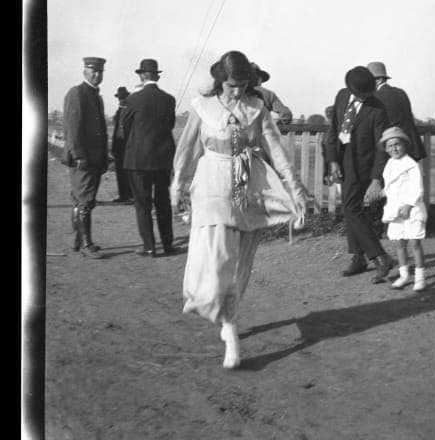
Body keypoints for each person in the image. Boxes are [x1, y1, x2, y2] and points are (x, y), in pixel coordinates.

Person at [171, 51, 306, 369]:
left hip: (249, 188)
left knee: (240, 264)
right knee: (217, 259)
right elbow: (187, 147)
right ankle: (216, 311)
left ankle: (229, 325)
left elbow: (277, 151)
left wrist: (296, 190)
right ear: (220, 80)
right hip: (211, 184)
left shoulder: (256, 108)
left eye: (243, 85)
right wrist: (177, 185)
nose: (237, 91)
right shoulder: (202, 106)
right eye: (232, 85)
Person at [325, 66, 393, 282]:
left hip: (362, 165)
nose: (366, 96)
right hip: (342, 159)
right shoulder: (342, 95)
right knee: (349, 207)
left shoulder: (378, 109)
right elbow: (334, 130)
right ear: (351, 89)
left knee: (351, 208)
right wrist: (332, 160)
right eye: (361, 93)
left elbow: (381, 147)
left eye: (368, 93)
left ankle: (380, 257)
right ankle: (358, 258)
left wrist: (375, 179)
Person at [122, 59, 176, 257]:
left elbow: (125, 128)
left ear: (141, 75)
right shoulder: (169, 100)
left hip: (138, 159)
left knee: (142, 203)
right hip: (162, 159)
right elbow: (169, 125)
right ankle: (168, 244)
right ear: (157, 76)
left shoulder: (132, 100)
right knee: (163, 201)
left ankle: (150, 246)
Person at [61, 56, 108, 259]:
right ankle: (86, 244)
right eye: (93, 71)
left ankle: (77, 241)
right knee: (85, 201)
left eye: (100, 72)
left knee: (81, 200)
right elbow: (73, 128)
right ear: (84, 72)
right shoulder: (77, 93)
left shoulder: (96, 96)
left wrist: (104, 157)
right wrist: (79, 155)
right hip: (83, 159)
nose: (97, 75)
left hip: (94, 159)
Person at [379, 126, 428, 291]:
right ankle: (404, 274)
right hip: (395, 209)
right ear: (386, 149)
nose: (394, 148)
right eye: (390, 146)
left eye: (397, 144)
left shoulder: (411, 164)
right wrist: (381, 193)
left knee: (415, 243)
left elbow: (418, 188)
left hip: (412, 208)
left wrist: (408, 205)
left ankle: (420, 278)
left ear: (405, 145)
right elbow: (390, 186)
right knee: (399, 243)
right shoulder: (389, 164)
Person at [367, 62, 426, 162]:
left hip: (392, 149)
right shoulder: (400, 92)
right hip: (411, 147)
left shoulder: (376, 97)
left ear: (378, 80)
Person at [111, 86, 133, 203]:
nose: (121, 100)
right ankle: (123, 195)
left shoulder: (130, 110)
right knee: (119, 171)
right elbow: (115, 130)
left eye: (123, 98)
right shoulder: (118, 112)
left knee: (128, 171)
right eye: (119, 98)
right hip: (119, 146)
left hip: (128, 146)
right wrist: (113, 147)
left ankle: (130, 195)